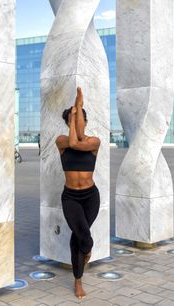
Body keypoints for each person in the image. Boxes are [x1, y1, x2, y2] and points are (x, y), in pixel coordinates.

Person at [55, 87, 100, 299]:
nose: (76, 122)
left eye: (80, 119)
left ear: (85, 122)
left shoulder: (93, 143)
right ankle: (87, 250)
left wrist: (78, 108)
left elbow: (79, 138)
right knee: (83, 236)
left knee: (77, 237)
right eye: (73, 119)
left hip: (91, 197)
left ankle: (77, 280)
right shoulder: (61, 141)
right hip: (71, 197)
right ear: (68, 123)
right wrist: (75, 113)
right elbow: (73, 140)